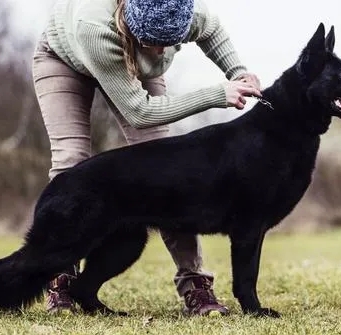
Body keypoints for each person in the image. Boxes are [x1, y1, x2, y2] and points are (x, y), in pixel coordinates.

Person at [32, 0, 262, 316]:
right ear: (132, 24)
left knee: (169, 173)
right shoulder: (95, 27)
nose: (158, 53)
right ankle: (61, 276)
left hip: (130, 64)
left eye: (169, 44)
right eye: (151, 42)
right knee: (71, 159)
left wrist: (238, 72)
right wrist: (215, 95)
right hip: (64, 60)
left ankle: (195, 281)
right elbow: (139, 112)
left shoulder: (185, 12)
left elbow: (212, 31)